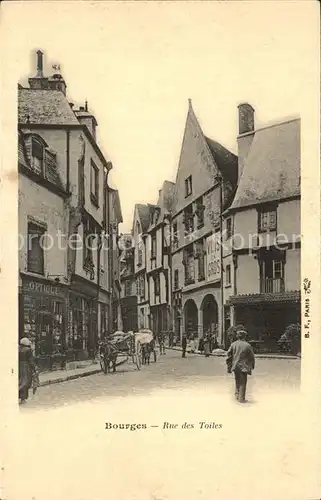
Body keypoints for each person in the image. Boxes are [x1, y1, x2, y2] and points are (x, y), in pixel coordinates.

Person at [226, 329, 255, 403]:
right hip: (244, 366)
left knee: (237, 381)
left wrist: (229, 366)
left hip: (235, 366)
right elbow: (251, 357)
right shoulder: (247, 345)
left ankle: (237, 395)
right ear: (244, 336)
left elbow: (229, 355)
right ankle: (241, 398)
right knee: (243, 382)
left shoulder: (233, 344)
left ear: (237, 336)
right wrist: (252, 365)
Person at [19, 337, 38, 404]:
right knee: (25, 382)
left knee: (19, 381)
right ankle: (23, 398)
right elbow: (31, 361)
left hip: (18, 366)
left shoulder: (18, 349)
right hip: (25, 367)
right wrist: (35, 368)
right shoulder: (28, 350)